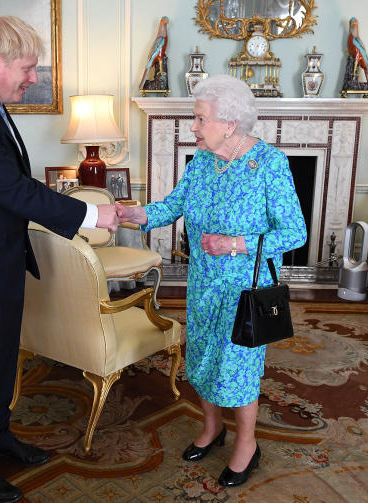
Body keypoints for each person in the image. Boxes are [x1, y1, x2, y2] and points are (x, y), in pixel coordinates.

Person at [0, 16, 119, 503]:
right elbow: (10, 188)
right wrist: (93, 213)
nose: (34, 78)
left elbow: (6, 186)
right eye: (28, 68)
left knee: (1, 357)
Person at [117, 74, 306, 488]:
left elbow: (295, 233)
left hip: (245, 289)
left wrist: (234, 243)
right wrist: (138, 215)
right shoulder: (202, 161)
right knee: (202, 358)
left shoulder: (269, 164)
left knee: (237, 368)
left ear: (229, 123)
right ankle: (212, 428)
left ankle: (247, 443)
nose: (193, 127)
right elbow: (174, 205)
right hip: (203, 284)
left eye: (199, 119)